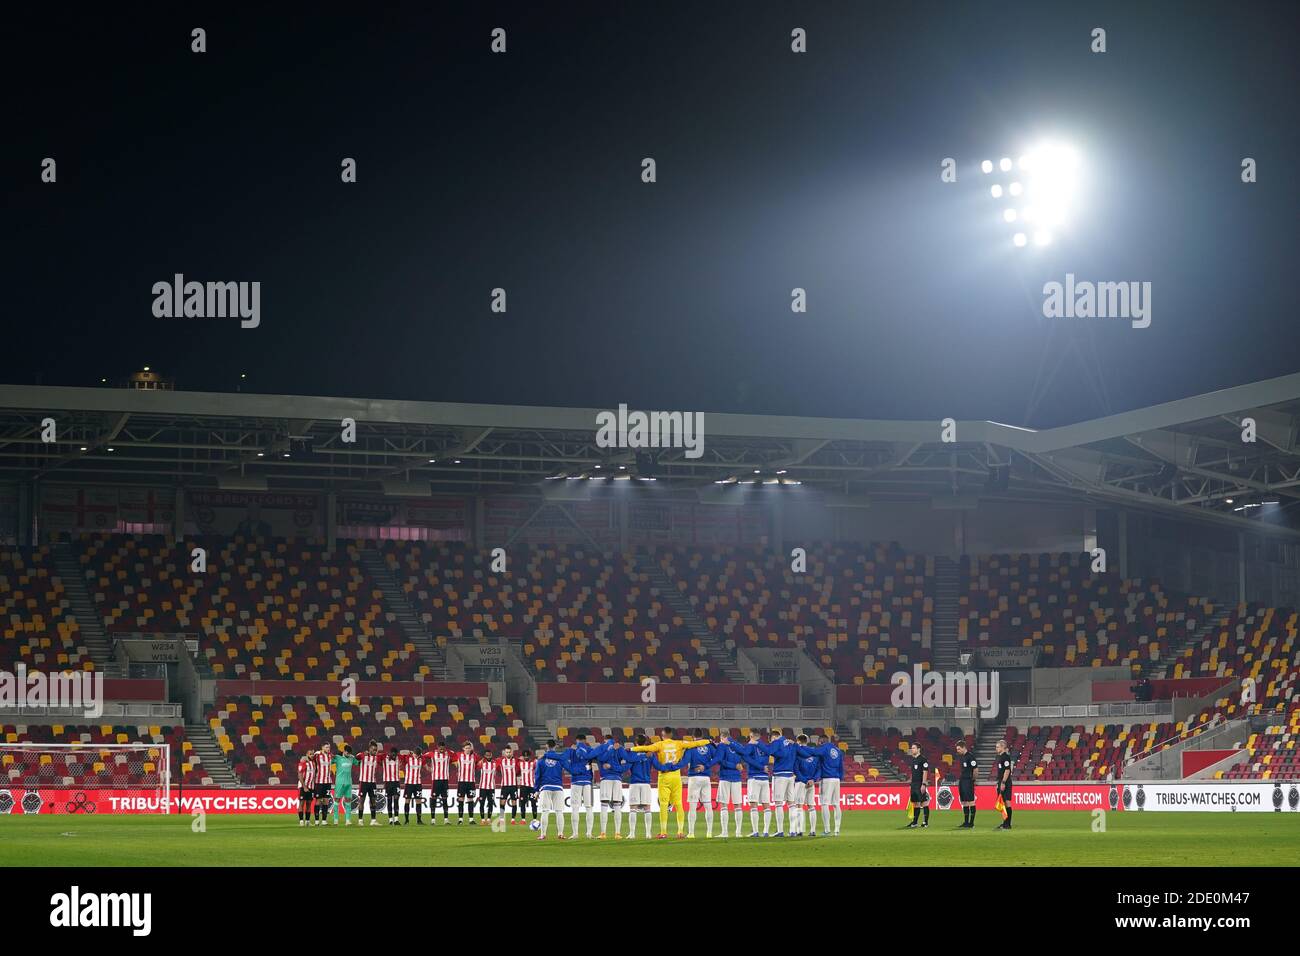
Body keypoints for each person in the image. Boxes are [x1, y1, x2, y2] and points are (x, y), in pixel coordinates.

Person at [629, 728, 712, 839]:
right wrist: (708, 741)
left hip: (664, 776)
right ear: (671, 735)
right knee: (678, 804)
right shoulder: (678, 743)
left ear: (663, 736)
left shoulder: (659, 745)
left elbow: (646, 748)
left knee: (663, 804)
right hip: (676, 776)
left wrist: (631, 748)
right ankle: (680, 832)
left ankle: (663, 832)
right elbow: (695, 743)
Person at [796, 733, 844, 836]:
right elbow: (841, 767)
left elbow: (813, 751)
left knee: (825, 804)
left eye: (819, 742)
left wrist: (800, 746)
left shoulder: (824, 748)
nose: (818, 744)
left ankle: (827, 829)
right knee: (836, 804)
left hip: (827, 779)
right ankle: (837, 829)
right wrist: (839, 778)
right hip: (836, 779)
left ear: (821, 741)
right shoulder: (838, 750)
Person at [733, 732, 773, 837]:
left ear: (751, 737)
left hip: (754, 778)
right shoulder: (765, 746)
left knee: (753, 805)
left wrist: (759, 767)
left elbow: (745, 756)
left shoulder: (751, 746)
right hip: (764, 778)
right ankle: (766, 831)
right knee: (766, 804)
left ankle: (755, 832)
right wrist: (763, 767)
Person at [761, 727, 799, 837]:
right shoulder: (791, 744)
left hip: (780, 775)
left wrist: (758, 744)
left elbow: (768, 751)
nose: (771, 742)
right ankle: (792, 830)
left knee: (778, 803)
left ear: (774, 737)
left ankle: (780, 830)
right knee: (791, 803)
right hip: (790, 775)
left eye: (771, 740)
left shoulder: (777, 742)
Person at [682, 730, 718, 840]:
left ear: (693, 737)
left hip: (694, 778)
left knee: (692, 806)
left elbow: (685, 761)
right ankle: (709, 833)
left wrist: (676, 764)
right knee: (708, 806)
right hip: (706, 778)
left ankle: (692, 833)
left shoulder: (691, 746)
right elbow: (717, 757)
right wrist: (706, 766)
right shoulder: (708, 746)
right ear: (702, 736)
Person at [533, 740, 569, 840]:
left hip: (546, 787)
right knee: (559, 811)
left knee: (545, 811)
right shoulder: (560, 759)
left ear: (546, 746)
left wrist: (536, 790)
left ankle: (543, 834)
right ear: (556, 747)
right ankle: (560, 834)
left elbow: (537, 776)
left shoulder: (540, 760)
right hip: (558, 787)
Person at [621, 737, 656, 839]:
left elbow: (626, 767)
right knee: (647, 808)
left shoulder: (632, 754)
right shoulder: (650, 753)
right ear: (645, 743)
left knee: (633, 808)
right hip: (646, 783)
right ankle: (648, 834)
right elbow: (658, 766)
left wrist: (616, 769)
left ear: (636, 743)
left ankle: (632, 834)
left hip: (635, 783)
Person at [594, 737, 629, 839]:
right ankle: (617, 833)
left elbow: (601, 759)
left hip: (606, 779)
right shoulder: (618, 750)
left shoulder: (602, 750)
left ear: (605, 740)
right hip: (617, 779)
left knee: (604, 805)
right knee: (617, 805)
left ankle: (603, 833)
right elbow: (626, 763)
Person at [714, 731, 746, 839]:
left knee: (723, 805)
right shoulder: (738, 745)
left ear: (723, 737)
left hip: (725, 777)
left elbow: (720, 761)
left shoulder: (722, 745)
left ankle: (725, 832)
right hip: (736, 778)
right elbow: (744, 754)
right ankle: (738, 833)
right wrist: (738, 766)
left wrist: (733, 765)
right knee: (738, 805)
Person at [792, 734, 821, 838]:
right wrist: (813, 780)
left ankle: (799, 830)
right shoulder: (814, 753)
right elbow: (819, 769)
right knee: (811, 806)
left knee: (799, 806)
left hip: (801, 782)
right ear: (807, 741)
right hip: (811, 784)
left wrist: (804, 780)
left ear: (798, 741)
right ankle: (813, 830)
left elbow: (796, 769)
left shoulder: (798, 753)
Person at [424, 740, 453, 824]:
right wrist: (427, 767)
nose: (442, 750)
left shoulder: (449, 753)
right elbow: (422, 757)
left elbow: (456, 758)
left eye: (443, 749)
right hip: (435, 780)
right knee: (433, 799)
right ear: (437, 747)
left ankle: (446, 820)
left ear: (445, 748)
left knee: (445, 800)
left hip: (445, 780)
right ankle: (433, 820)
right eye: (440, 748)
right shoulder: (432, 753)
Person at [356, 740, 382, 826]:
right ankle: (360, 820)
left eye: (376, 750)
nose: (375, 751)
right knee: (362, 801)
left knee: (373, 801)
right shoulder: (363, 755)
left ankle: (373, 820)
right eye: (373, 749)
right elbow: (357, 757)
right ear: (369, 749)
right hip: (363, 782)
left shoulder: (376, 757)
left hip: (372, 782)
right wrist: (364, 753)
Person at [331, 745, 358, 826]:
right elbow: (328, 761)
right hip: (339, 782)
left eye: (350, 753)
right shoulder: (338, 758)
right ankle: (336, 820)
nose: (349, 754)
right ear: (344, 751)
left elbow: (358, 763)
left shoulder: (351, 758)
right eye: (347, 753)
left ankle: (348, 820)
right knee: (337, 800)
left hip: (348, 783)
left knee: (348, 800)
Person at [905, 743, 931, 829]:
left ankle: (925, 822)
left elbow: (925, 772)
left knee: (924, 803)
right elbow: (913, 773)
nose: (912, 749)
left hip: (920, 783)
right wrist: (911, 782)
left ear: (918, 749)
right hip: (914, 784)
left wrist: (923, 784)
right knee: (915, 803)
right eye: (911, 748)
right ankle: (915, 822)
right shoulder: (913, 760)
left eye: (913, 748)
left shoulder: (923, 760)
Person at [955, 740, 978, 829]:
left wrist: (973, 779)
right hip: (962, 780)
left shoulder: (970, 757)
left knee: (971, 801)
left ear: (964, 747)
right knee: (964, 801)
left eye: (959, 749)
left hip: (968, 780)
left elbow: (975, 770)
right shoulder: (962, 757)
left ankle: (971, 823)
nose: (958, 751)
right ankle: (966, 822)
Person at [454, 742, 477, 825]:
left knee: (470, 799)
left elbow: (481, 762)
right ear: (463, 748)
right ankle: (460, 819)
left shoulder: (474, 756)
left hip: (471, 782)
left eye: (469, 748)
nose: (468, 749)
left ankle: (471, 819)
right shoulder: (458, 755)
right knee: (461, 799)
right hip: (461, 781)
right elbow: (450, 757)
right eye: (466, 748)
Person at [994, 739, 1015, 830]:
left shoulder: (1006, 757)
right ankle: (1005, 823)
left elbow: (1007, 770)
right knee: (1002, 803)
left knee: (1007, 802)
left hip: (1005, 782)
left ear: (1003, 747)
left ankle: (1008, 824)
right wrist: (998, 783)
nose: (996, 748)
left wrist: (1003, 782)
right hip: (1001, 782)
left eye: (998, 747)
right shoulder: (1000, 757)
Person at [401, 748, 425, 824]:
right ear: (413, 753)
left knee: (419, 801)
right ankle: (407, 820)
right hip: (409, 783)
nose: (416, 756)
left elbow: (425, 758)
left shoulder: (421, 759)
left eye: (418, 755)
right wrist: (409, 753)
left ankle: (419, 820)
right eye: (415, 754)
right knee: (407, 800)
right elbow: (402, 755)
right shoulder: (408, 758)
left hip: (418, 783)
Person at [313, 743, 334, 825]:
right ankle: (317, 820)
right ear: (322, 747)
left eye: (329, 747)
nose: (328, 748)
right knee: (318, 801)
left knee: (326, 801)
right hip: (319, 782)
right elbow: (309, 758)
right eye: (326, 747)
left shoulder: (330, 756)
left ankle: (324, 820)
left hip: (328, 782)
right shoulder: (317, 754)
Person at [498, 746, 520, 823]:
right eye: (507, 752)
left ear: (512, 752)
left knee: (514, 802)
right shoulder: (500, 760)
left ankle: (513, 819)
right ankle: (501, 818)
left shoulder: (516, 760)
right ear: (504, 753)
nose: (508, 753)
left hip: (513, 785)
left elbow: (520, 769)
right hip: (504, 785)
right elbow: (496, 768)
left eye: (509, 752)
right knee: (502, 802)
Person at [517, 749, 538, 824]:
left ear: (529, 756)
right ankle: (523, 819)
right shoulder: (520, 763)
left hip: (532, 787)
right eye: (524, 756)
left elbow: (538, 768)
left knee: (533, 802)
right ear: (523, 756)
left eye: (527, 756)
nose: (526, 757)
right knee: (522, 803)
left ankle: (535, 819)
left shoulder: (533, 763)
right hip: (523, 786)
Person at [382, 747, 402, 825]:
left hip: (396, 782)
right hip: (388, 783)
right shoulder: (384, 758)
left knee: (396, 800)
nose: (394, 755)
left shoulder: (398, 758)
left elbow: (406, 757)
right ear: (390, 753)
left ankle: (396, 820)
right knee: (389, 801)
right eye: (392, 753)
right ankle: (390, 820)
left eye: (395, 754)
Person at [296, 750, 316, 826]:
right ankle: (301, 821)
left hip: (311, 786)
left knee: (309, 803)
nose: (312, 755)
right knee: (302, 803)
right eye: (310, 754)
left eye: (313, 754)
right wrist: (304, 786)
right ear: (307, 754)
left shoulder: (313, 763)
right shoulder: (303, 762)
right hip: (303, 786)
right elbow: (299, 775)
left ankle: (307, 821)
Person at [476, 750, 497, 820]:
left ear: (491, 755)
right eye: (487, 755)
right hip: (482, 787)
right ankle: (482, 819)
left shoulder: (495, 763)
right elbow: (475, 767)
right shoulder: (481, 763)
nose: (488, 756)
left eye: (489, 755)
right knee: (482, 803)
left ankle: (488, 819)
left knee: (490, 803)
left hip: (491, 787)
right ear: (485, 756)